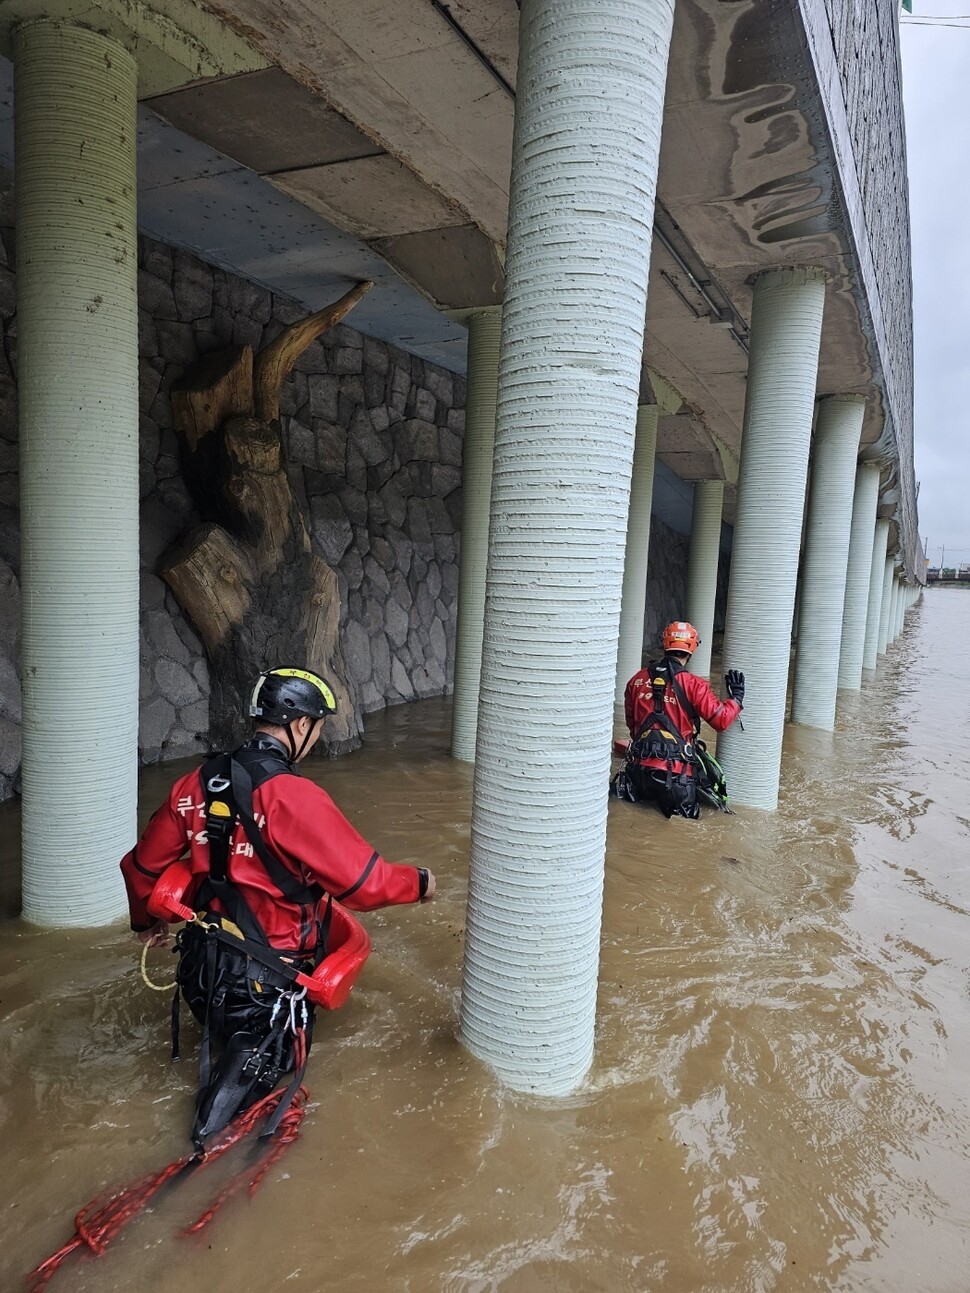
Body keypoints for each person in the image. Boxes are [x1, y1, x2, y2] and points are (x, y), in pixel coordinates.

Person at [120, 665, 435, 1149]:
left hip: (200, 979)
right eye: (318, 728)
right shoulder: (293, 796)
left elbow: (139, 870)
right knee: (251, 1107)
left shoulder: (192, 785)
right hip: (267, 993)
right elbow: (365, 887)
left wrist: (147, 926)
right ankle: (205, 1143)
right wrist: (420, 882)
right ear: (301, 725)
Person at [614, 621, 745, 819]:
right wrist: (736, 698)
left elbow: (633, 727)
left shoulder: (637, 680)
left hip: (638, 772)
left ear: (664, 644)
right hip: (676, 777)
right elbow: (722, 720)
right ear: (692, 649)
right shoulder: (694, 684)